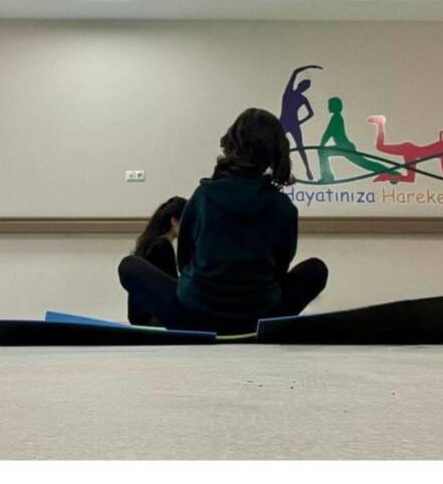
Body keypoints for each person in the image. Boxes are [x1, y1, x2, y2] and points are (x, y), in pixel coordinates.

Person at [118, 108, 328, 334]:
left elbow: (185, 261)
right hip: (259, 315)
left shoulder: (203, 195)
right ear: (275, 150)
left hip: (193, 315)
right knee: (316, 269)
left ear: (231, 146)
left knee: (129, 266)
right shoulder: (283, 206)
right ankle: (259, 325)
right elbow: (280, 267)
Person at [127, 196, 186, 325]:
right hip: (153, 318)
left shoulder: (148, 244)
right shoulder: (162, 247)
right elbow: (171, 288)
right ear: (174, 221)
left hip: (140, 317)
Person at [365, 115, 443, 184]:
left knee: (410, 179)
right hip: (410, 151)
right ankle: (380, 123)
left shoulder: (442, 146)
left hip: (411, 153)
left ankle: (386, 177)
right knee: (380, 147)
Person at [279, 64, 321, 180]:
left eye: (306, 87)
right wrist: (311, 66)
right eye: (304, 86)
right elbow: (295, 72)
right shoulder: (289, 92)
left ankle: (308, 169)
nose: (304, 88)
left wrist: (300, 122)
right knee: (278, 146)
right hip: (284, 123)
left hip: (293, 124)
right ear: (299, 85)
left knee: (300, 146)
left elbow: (311, 113)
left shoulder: (302, 98)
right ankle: (279, 170)